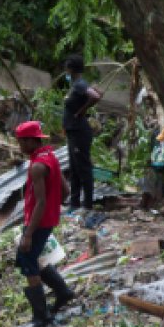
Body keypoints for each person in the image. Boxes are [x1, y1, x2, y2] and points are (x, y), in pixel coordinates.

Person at [14, 121, 76, 327]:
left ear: (31, 141)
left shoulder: (38, 166)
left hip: (37, 221)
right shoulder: (50, 156)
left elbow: (40, 202)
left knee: (27, 261)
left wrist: (28, 234)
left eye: (21, 142)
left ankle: (41, 317)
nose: (20, 147)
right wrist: (52, 208)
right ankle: (63, 292)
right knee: (34, 257)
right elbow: (65, 190)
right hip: (47, 219)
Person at [62, 54, 103, 210]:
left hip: (79, 131)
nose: (65, 71)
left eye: (66, 68)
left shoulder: (79, 84)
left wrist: (81, 112)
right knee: (74, 168)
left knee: (83, 168)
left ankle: (87, 205)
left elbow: (95, 96)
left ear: (71, 69)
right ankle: (74, 203)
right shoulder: (76, 85)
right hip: (73, 131)